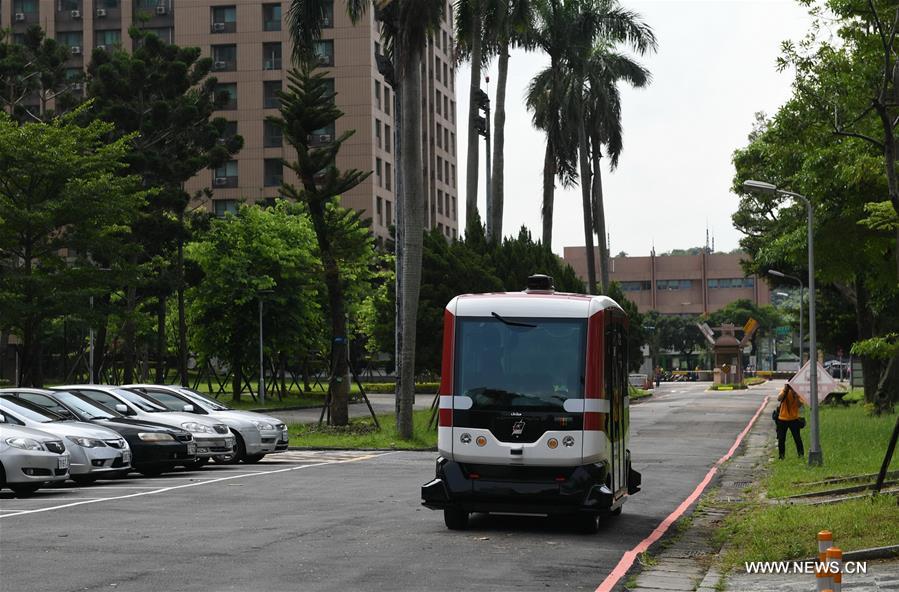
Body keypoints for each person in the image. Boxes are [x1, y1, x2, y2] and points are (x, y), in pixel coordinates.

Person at [776, 384, 806, 459]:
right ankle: (781, 456)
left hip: (794, 419)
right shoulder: (785, 391)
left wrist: (795, 395)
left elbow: (799, 405)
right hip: (782, 418)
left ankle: (801, 455)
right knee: (781, 439)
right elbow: (779, 399)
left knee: (797, 438)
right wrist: (785, 390)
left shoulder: (798, 392)